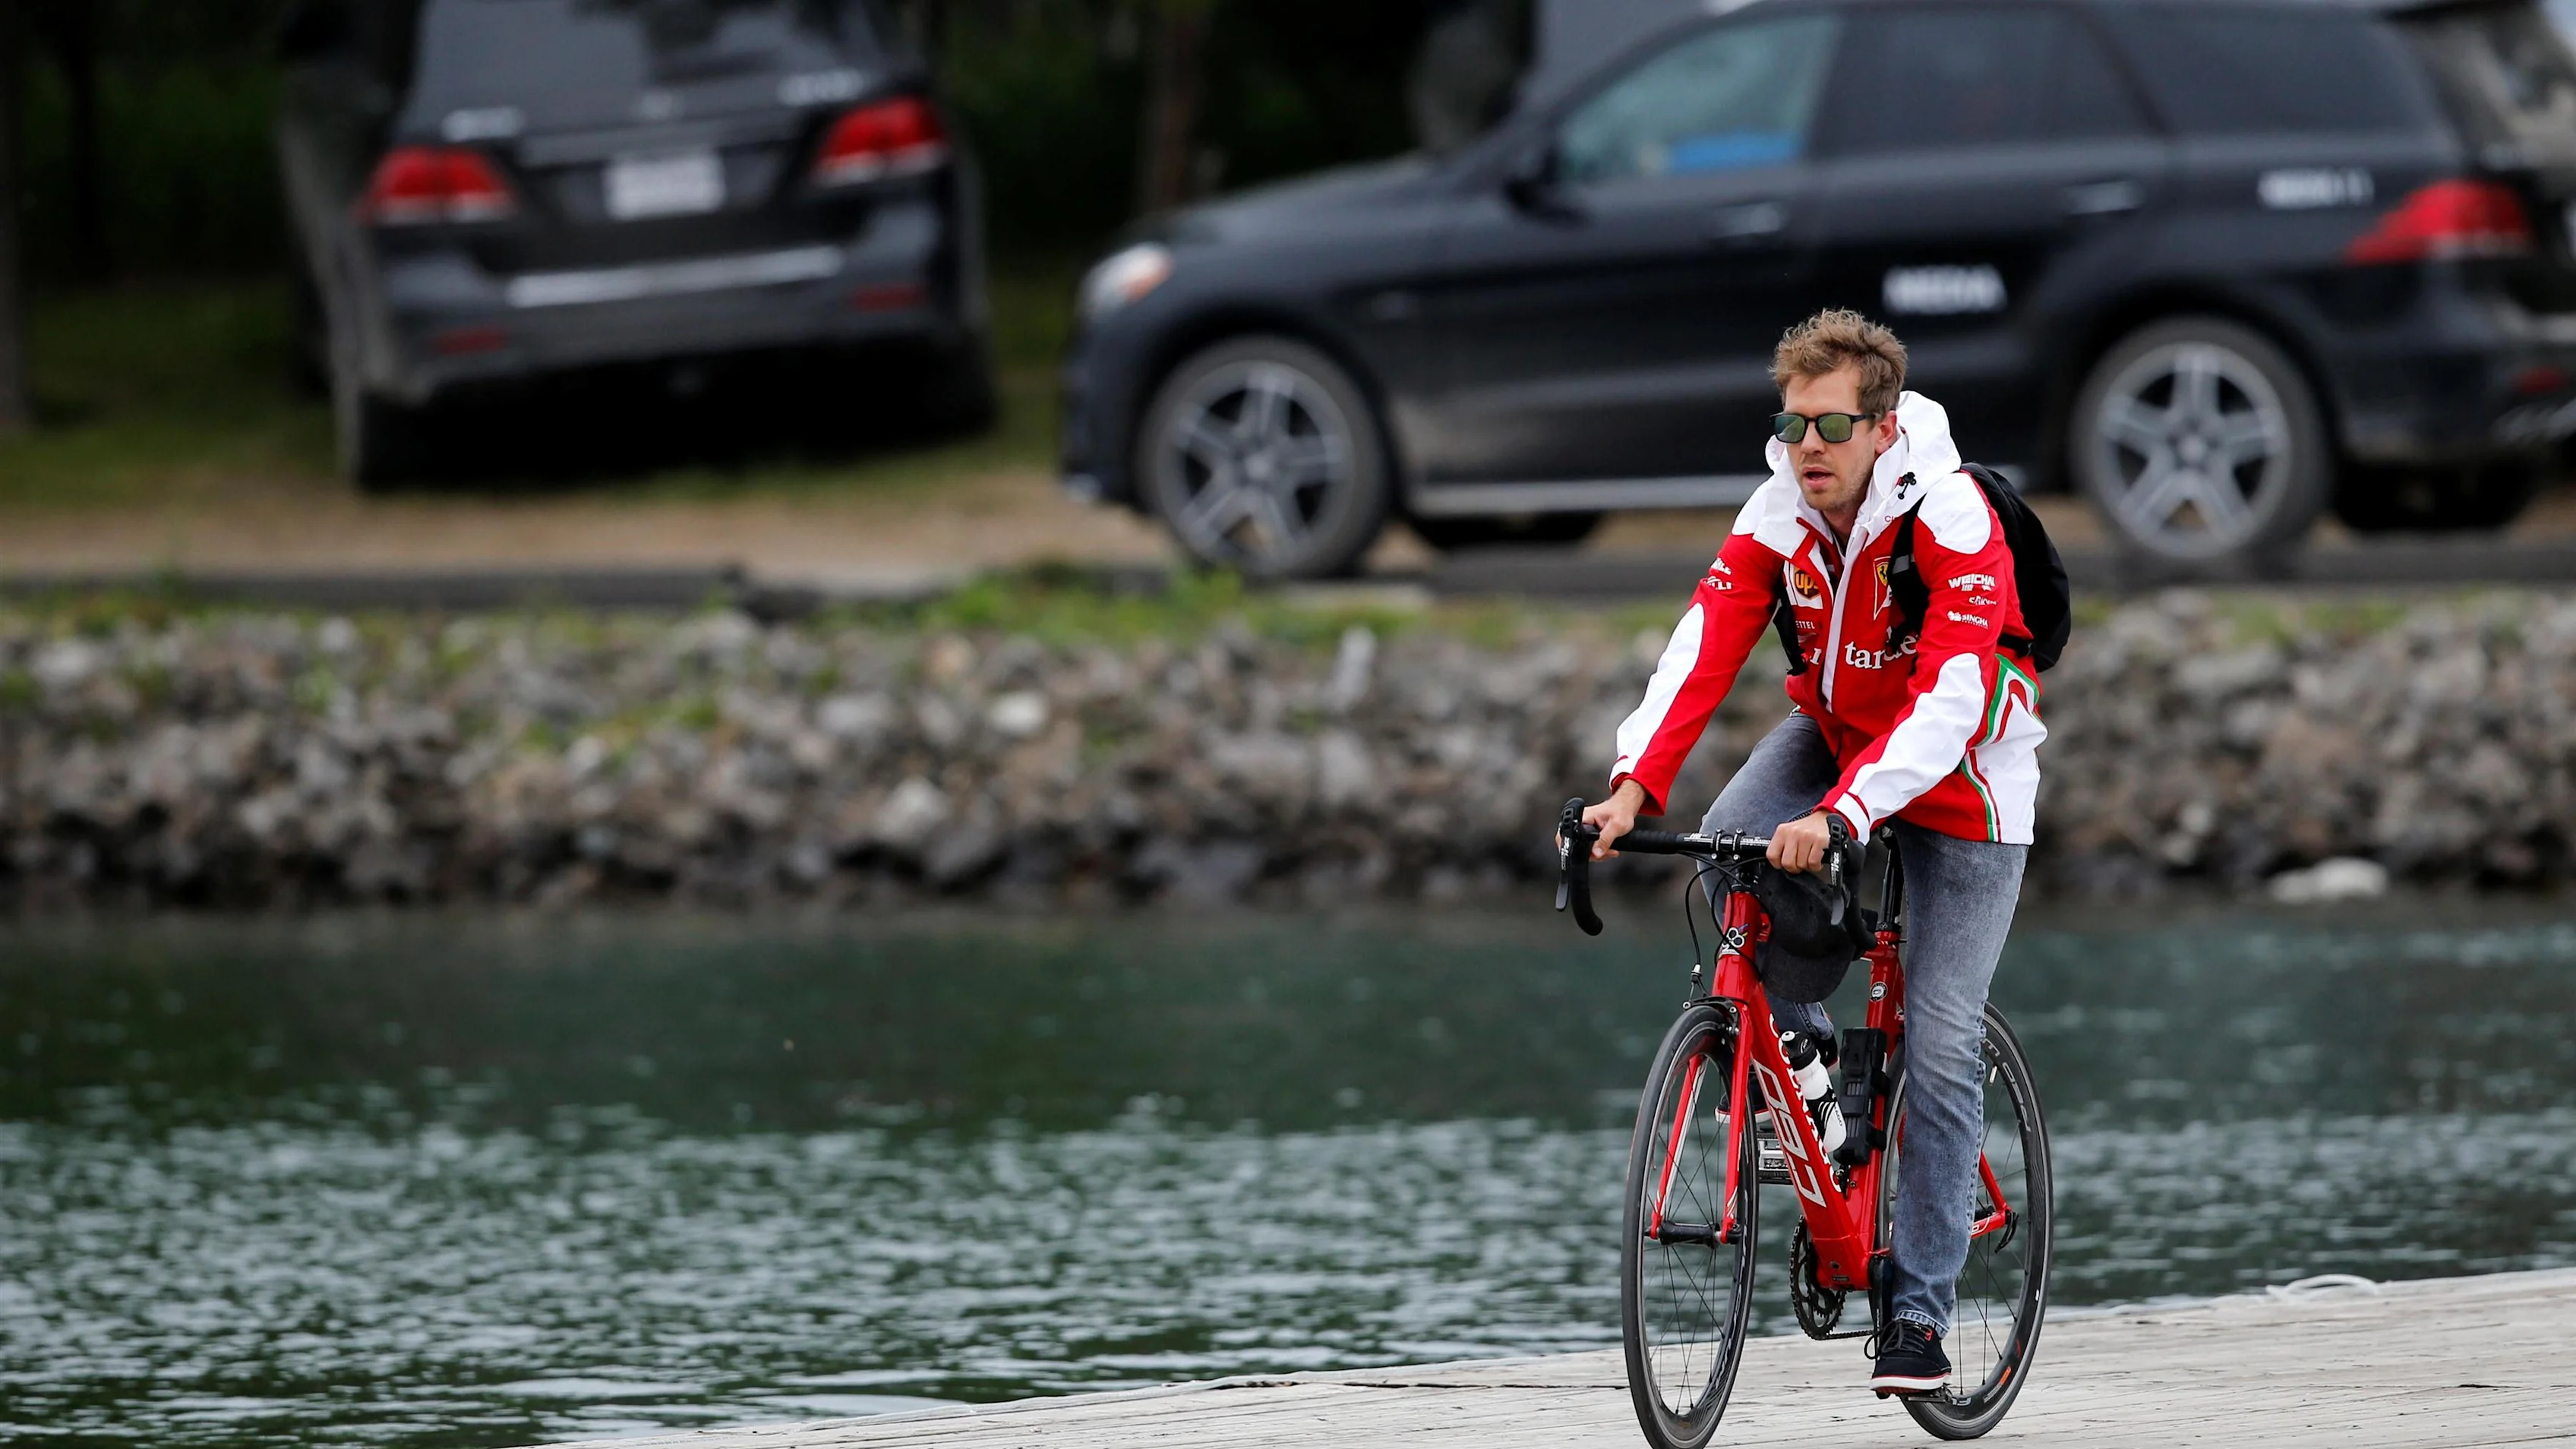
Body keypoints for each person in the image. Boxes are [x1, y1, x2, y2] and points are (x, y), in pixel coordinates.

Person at [1579, 308, 2045, 1396]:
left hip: (1965, 774)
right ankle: (1816, 1075)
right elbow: (1706, 636)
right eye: (1792, 425)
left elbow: (1954, 695)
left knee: (1935, 1040)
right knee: (1727, 858)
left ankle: (1920, 1314)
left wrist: (1844, 815)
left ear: (1884, 427)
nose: (1809, 448)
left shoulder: (1953, 511)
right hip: (1839, 736)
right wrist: (1632, 784)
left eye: (1832, 425)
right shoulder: (1783, 504)